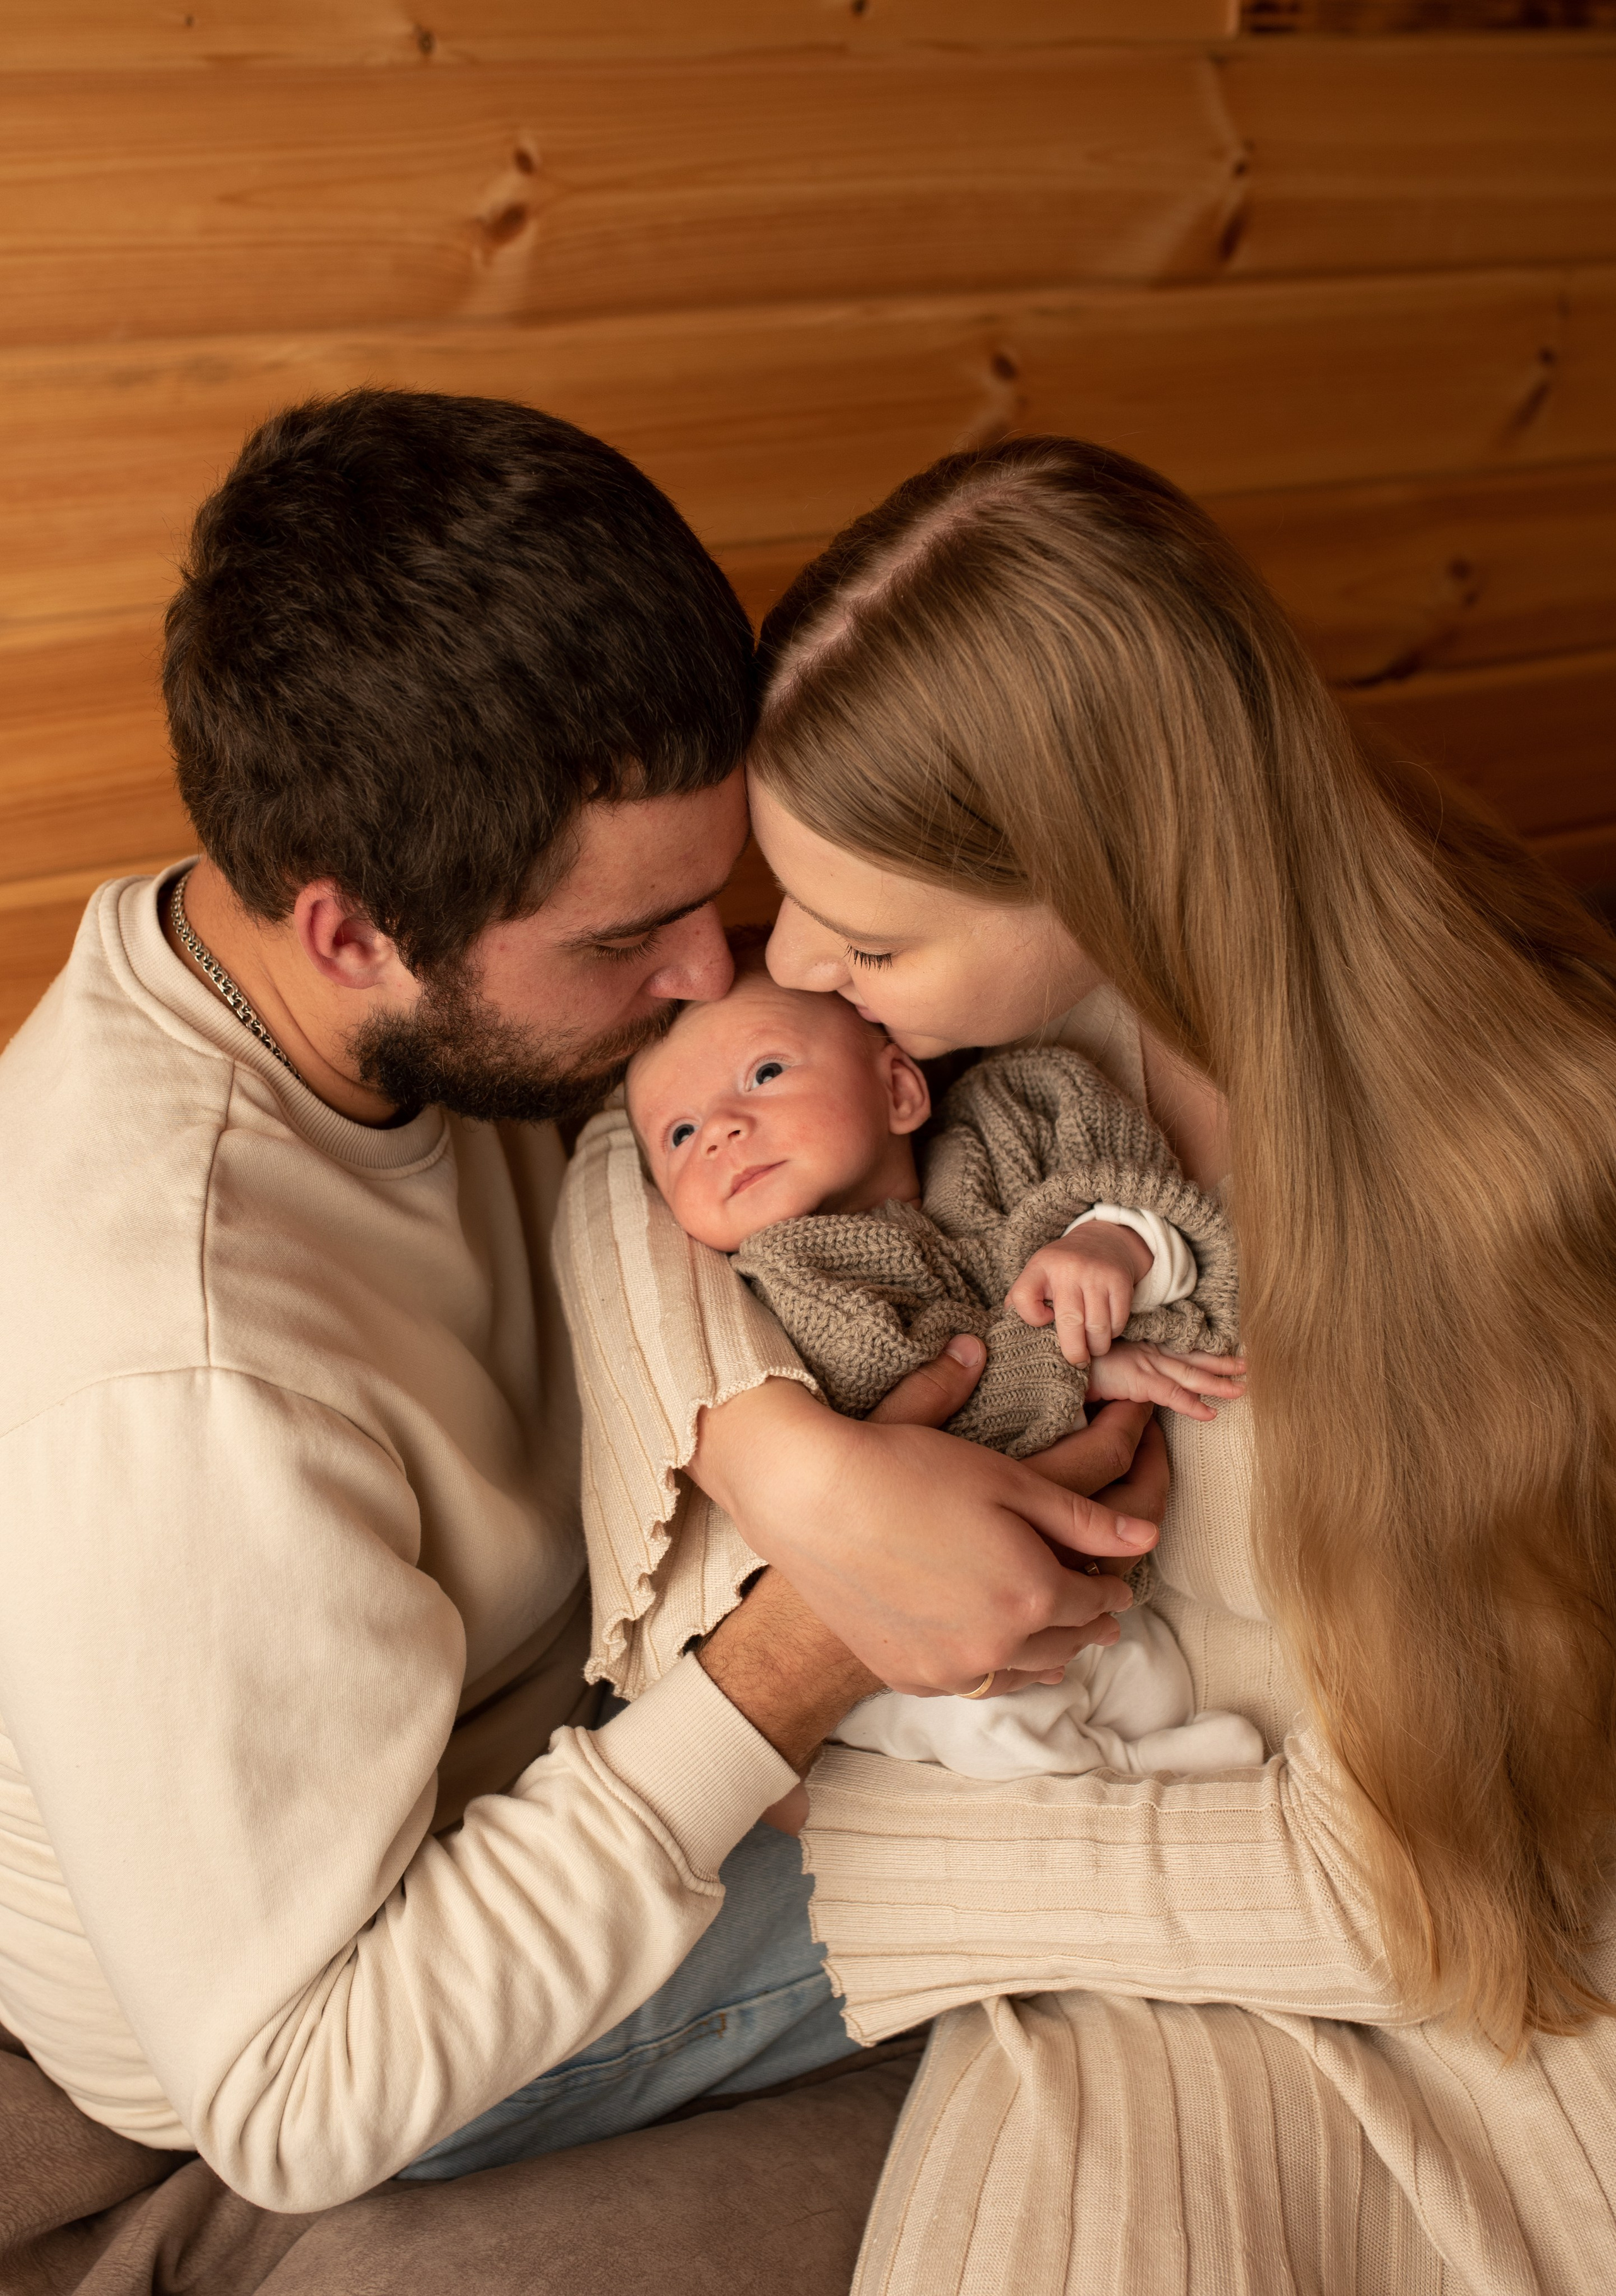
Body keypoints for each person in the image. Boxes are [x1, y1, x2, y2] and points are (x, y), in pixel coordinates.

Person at [0, 392, 1164, 2215]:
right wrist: (810, 1635)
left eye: (714, 896)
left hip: (565, 1695)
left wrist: (774, 1453)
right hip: (376, 2014)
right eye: (632, 943)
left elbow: (642, 1149)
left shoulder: (362, 990)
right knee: (1156, 1799)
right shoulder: (182, 1376)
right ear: (350, 929)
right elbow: (296, 2102)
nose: (727, 974)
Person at [555, 436, 1616, 2291]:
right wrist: (774, 1457)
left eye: (861, 937)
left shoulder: (1440, 1210)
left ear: (1090, 870)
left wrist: (834, 1844)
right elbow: (627, 1151)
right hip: (1136, 1845)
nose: (778, 965)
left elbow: (1422, 1908)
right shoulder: (1017, 1017)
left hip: (1418, 1948)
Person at [623, 949, 1257, 1783]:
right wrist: (1081, 1368)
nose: (720, 1131)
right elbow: (929, 1442)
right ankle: (1122, 1768)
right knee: (983, 1727)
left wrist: (1115, 1241)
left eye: (765, 1071)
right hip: (908, 1641)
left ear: (898, 1088)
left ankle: (1139, 1743)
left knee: (1146, 1667)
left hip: (1082, 1587)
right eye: (679, 1133)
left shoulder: (1007, 1123)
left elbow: (1152, 1193)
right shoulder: (792, 1283)